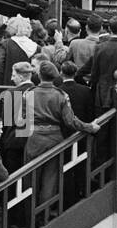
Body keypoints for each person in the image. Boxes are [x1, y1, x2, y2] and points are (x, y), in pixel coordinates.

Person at [25, 61, 100, 210]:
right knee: (50, 180)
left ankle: (29, 216)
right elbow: (70, 121)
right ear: (55, 76)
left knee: (31, 179)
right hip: (55, 138)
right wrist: (89, 127)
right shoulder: (61, 95)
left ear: (39, 75)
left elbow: (21, 118)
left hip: (34, 137)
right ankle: (43, 214)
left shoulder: (29, 93)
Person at [77, 15, 117, 112]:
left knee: (103, 124)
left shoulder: (99, 48)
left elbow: (94, 73)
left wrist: (92, 86)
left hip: (102, 94)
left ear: (109, 29)